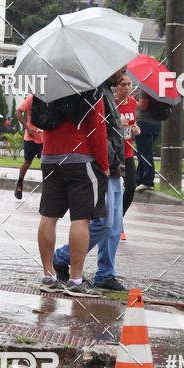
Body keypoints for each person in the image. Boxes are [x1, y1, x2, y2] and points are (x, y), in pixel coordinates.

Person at [53, 68, 127, 291]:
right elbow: (98, 133)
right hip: (104, 167)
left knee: (114, 226)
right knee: (103, 223)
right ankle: (62, 256)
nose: (123, 74)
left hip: (113, 166)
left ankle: (105, 273)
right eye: (120, 69)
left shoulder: (106, 91)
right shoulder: (97, 91)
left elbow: (111, 132)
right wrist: (111, 163)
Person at [36, 90, 109, 295]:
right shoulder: (90, 86)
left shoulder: (46, 84)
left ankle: (49, 276)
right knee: (81, 218)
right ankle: (75, 280)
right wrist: (104, 164)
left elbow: (38, 118)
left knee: (48, 216)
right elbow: (97, 129)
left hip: (49, 156)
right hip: (80, 158)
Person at [114, 72, 140, 240]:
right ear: (116, 86)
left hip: (128, 151)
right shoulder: (111, 103)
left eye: (129, 84)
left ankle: (118, 220)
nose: (126, 87)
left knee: (131, 186)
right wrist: (118, 124)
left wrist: (136, 128)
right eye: (123, 84)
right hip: (114, 151)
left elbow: (133, 124)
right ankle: (115, 225)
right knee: (114, 189)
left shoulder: (132, 103)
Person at [135, 91, 169, 191]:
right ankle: (139, 179)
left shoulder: (145, 89)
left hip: (144, 124)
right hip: (155, 125)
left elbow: (143, 105)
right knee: (142, 152)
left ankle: (147, 181)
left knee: (145, 153)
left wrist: (130, 100)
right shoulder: (160, 90)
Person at [14, 94, 43, 200]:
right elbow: (17, 113)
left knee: (45, 164)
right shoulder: (32, 98)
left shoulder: (50, 98)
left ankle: (47, 191)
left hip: (44, 139)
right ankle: (19, 183)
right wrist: (27, 128)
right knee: (27, 162)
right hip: (30, 137)